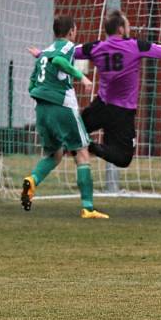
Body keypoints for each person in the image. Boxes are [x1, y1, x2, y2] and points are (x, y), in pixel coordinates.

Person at [30, 10, 161, 168]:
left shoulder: (96, 47)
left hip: (100, 107)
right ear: (121, 29)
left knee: (73, 134)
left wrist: (42, 54)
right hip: (122, 112)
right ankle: (91, 147)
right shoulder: (136, 46)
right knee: (123, 158)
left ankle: (58, 149)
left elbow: (67, 51)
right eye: (127, 25)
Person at [21, 15, 109, 219]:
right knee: (81, 151)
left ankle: (32, 181)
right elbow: (60, 60)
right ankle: (88, 208)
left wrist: (42, 94)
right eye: (75, 30)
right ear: (71, 31)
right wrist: (82, 77)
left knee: (55, 154)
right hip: (62, 106)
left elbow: (32, 83)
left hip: (42, 108)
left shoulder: (45, 52)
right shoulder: (68, 47)